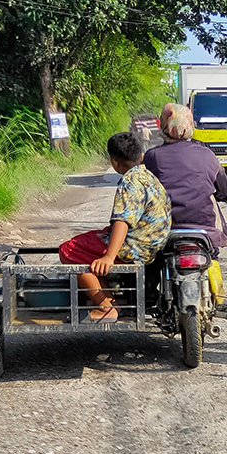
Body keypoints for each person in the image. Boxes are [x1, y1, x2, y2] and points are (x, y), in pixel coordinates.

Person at [58, 132, 172, 323]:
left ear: (114, 162)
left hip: (135, 249)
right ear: (141, 156)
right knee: (90, 242)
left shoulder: (129, 181)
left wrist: (109, 256)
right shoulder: (150, 177)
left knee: (69, 249)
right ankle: (109, 299)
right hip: (153, 245)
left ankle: (105, 308)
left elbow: (122, 221)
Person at [144, 102, 227, 307]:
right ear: (191, 125)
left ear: (164, 126)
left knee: (153, 254)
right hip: (203, 225)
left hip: (165, 226)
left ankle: (148, 292)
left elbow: (143, 190)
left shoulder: (152, 156)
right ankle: (219, 294)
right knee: (212, 253)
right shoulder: (208, 155)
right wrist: (221, 195)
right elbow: (223, 189)